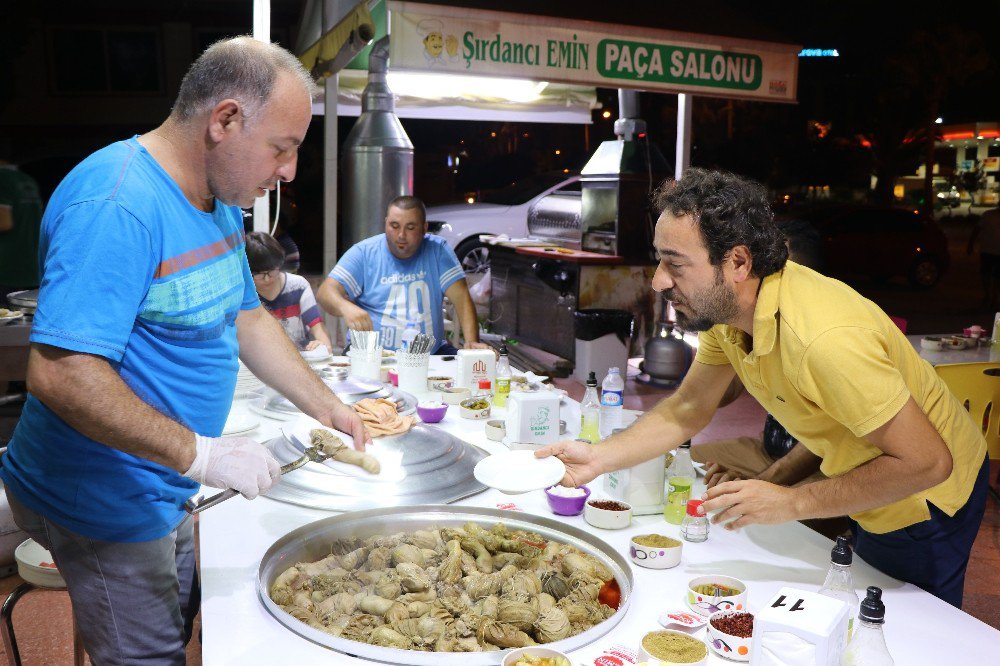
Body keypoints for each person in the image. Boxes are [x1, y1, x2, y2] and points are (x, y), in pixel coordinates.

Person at [0, 37, 370, 664]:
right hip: (103, 493)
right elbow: (61, 376)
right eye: (282, 149)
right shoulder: (117, 205)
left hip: (164, 478)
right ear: (224, 121)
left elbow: (247, 317)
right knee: (151, 656)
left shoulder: (217, 199)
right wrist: (200, 453)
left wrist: (326, 404)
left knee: (182, 616)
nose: (289, 172)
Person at [538, 168, 988, 608]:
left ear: (737, 262)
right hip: (870, 466)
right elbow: (687, 409)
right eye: (660, 259)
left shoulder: (824, 339)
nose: (657, 280)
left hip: (926, 494)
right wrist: (595, 458)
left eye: (675, 263)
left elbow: (927, 462)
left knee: (907, 625)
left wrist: (790, 501)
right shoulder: (727, 311)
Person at [318, 195, 490, 354]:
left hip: (431, 354)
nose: (401, 235)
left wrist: (472, 343)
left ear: (424, 228)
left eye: (410, 227)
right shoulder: (364, 252)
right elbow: (325, 292)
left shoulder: (438, 250)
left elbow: (462, 299)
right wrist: (345, 307)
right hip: (370, 354)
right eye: (394, 226)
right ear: (385, 223)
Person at [245, 230, 332, 351]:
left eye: (271, 271)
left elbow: (317, 327)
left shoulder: (298, 286)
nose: (267, 278)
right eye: (258, 274)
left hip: (299, 356)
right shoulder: (244, 293)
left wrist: (323, 346)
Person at [0, 155, 43, 305]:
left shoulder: (1, 178)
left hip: (5, 268)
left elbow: (4, 222)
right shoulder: (27, 179)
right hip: (30, 266)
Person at [967, 201, 1000, 310]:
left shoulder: (988, 215)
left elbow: (976, 230)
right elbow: (977, 229)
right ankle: (988, 294)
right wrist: (971, 244)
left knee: (996, 275)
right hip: (987, 249)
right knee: (986, 274)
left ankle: (994, 296)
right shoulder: (988, 215)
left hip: (991, 250)